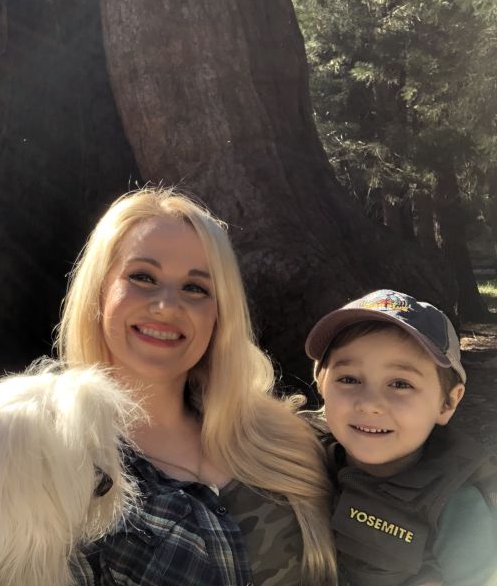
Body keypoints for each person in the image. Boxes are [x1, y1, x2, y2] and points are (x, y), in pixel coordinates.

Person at [56, 188, 338, 586]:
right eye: (142, 277)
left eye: (196, 288)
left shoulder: (289, 439)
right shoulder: (52, 463)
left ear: (219, 314)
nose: (167, 305)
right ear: (99, 292)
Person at [305, 289, 497, 586]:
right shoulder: (296, 454)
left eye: (400, 384)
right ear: (321, 384)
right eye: (349, 379)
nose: (369, 403)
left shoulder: (457, 508)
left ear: (447, 402)